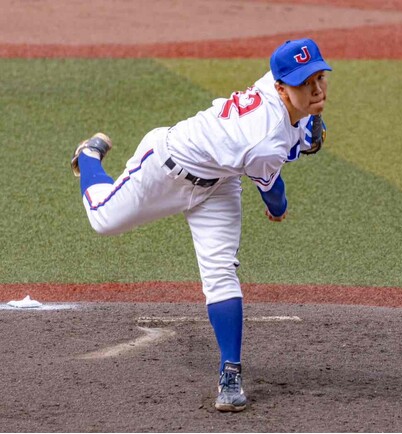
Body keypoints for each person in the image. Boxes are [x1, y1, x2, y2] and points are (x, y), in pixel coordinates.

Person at [70, 38, 331, 412]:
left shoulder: (277, 85)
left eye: (319, 77)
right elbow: (275, 197)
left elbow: (291, 123)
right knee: (102, 219)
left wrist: (303, 130)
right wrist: (280, 205)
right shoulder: (263, 142)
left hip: (220, 184)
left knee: (221, 272)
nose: (316, 88)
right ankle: (89, 156)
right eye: (305, 83)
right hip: (165, 167)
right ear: (279, 87)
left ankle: (230, 373)